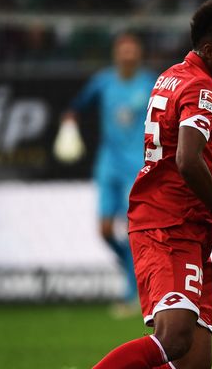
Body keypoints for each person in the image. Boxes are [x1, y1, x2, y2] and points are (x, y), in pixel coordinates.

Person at [93, 0, 212, 369]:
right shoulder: (203, 89)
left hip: (183, 227)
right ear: (210, 50)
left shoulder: (171, 75)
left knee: (195, 360)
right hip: (170, 226)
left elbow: (173, 149)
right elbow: (186, 159)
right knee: (174, 337)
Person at [58, 32, 156, 317]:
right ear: (116, 54)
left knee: (132, 231)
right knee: (104, 230)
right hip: (108, 164)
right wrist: (69, 120)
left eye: (132, 50)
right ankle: (131, 270)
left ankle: (131, 292)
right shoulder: (103, 81)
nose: (127, 55)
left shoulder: (150, 82)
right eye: (122, 50)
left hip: (136, 165)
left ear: (138, 54)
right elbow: (76, 107)